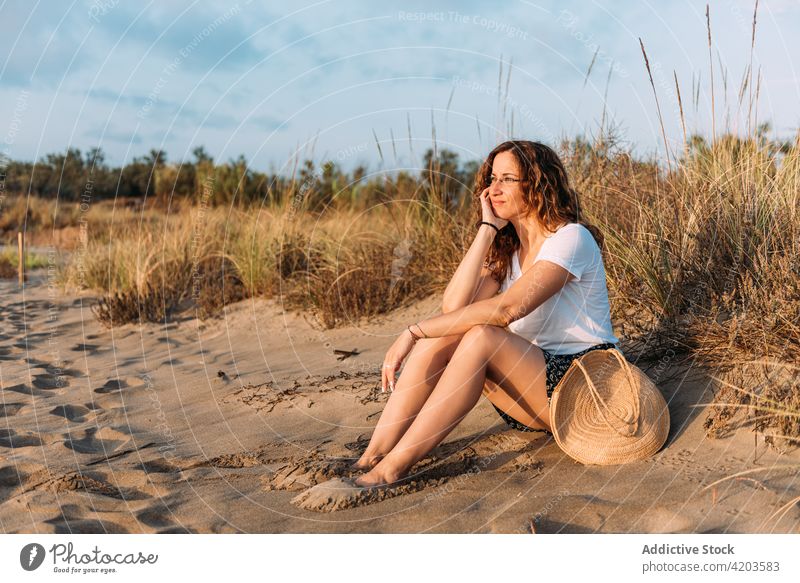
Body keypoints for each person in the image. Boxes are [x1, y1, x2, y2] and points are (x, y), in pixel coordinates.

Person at [351, 140, 621, 488]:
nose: (494, 189)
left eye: (508, 179)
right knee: (454, 331)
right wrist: (487, 230)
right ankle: (373, 455)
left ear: (538, 184)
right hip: (535, 394)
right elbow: (455, 309)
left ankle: (391, 469)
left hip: (586, 388)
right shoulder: (508, 250)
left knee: (481, 336)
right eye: (492, 178)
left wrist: (413, 330)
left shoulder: (571, 239)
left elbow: (508, 310)